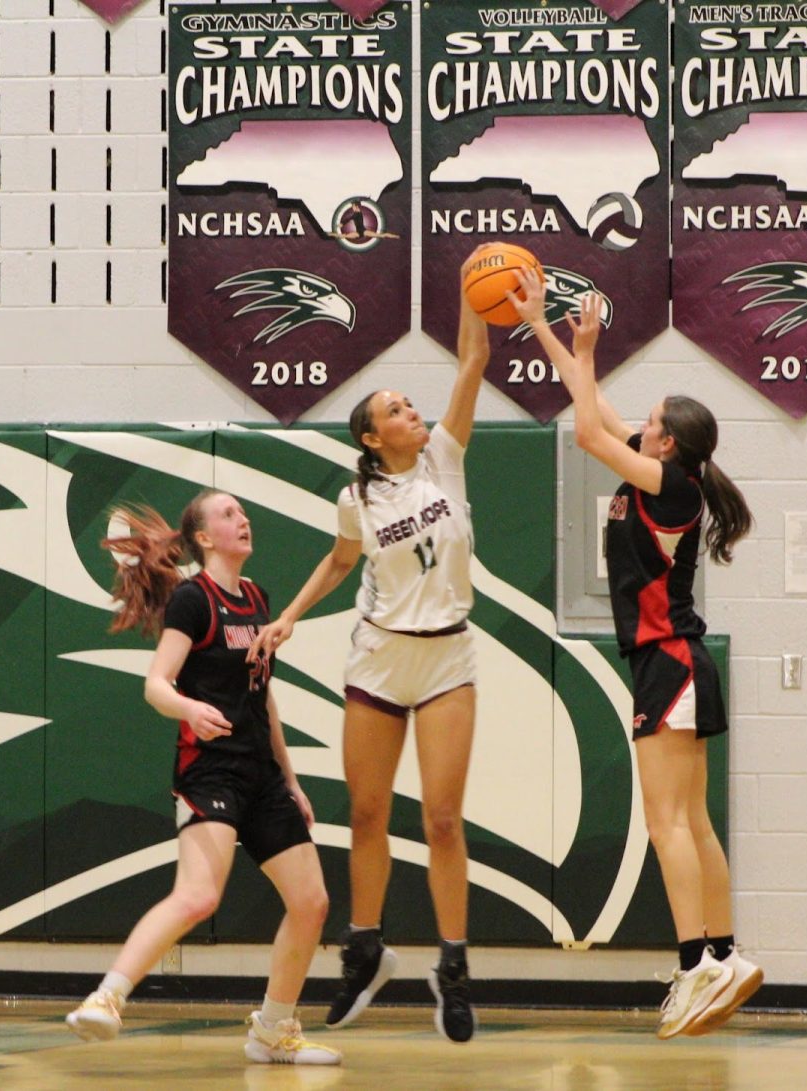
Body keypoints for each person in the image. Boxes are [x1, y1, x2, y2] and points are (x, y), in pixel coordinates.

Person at [248, 252, 492, 1044]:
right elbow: (340, 560)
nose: (414, 411)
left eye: (412, 403)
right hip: (380, 656)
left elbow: (476, 357)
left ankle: (452, 968)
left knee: (446, 819)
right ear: (370, 432)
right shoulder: (355, 496)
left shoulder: (445, 459)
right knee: (366, 811)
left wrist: (471, 287)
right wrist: (287, 616)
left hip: (447, 655)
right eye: (397, 407)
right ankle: (365, 948)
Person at [512, 274, 764, 1039]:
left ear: (668, 443)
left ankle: (696, 964)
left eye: (650, 421)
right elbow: (594, 415)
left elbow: (587, 433)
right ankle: (723, 953)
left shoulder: (674, 489)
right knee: (692, 819)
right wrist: (546, 331)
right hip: (678, 659)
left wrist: (588, 348)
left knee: (669, 824)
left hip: (667, 659)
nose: (639, 424)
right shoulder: (655, 466)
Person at [64, 490, 340, 1066]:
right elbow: (156, 683)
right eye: (229, 514)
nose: (244, 518)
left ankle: (272, 1030)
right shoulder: (194, 600)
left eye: (244, 510)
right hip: (209, 769)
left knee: (311, 902)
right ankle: (107, 997)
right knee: (198, 896)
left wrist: (290, 780)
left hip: (262, 773)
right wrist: (189, 709)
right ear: (205, 538)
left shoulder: (259, 599)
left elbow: (263, 700)